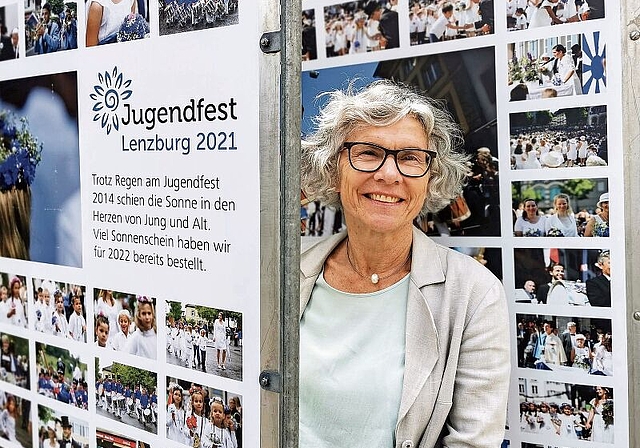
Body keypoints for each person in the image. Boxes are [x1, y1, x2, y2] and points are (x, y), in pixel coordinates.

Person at [299, 81, 509, 447]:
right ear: (333, 169)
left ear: (431, 178)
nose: (389, 174)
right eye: (367, 153)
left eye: (411, 157)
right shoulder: (288, 278)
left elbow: (474, 441)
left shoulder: (476, 294)